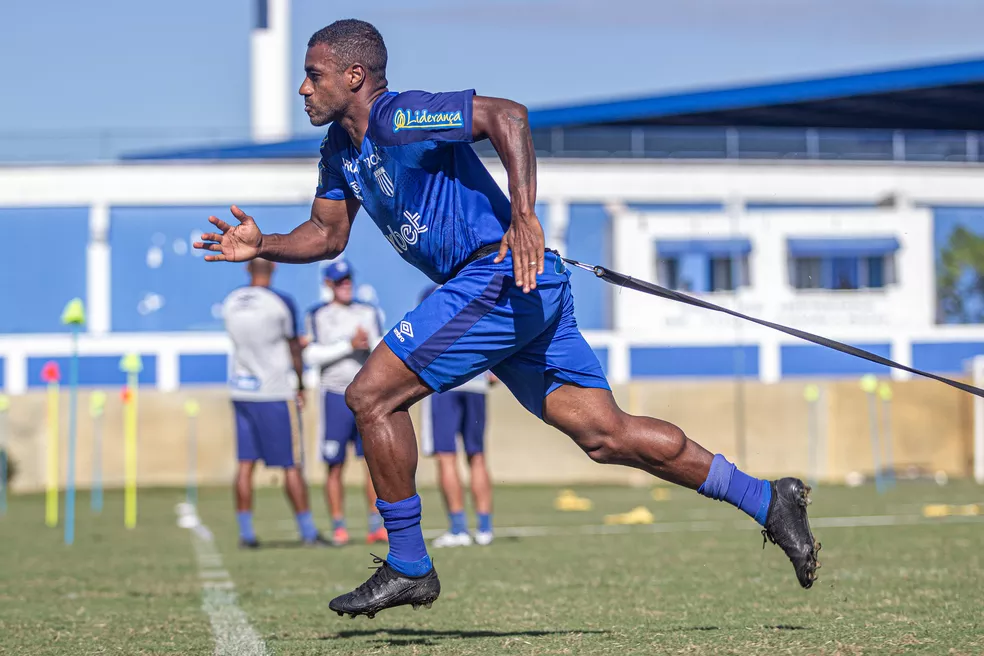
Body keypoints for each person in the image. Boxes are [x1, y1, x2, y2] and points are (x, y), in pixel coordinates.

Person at [195, 19, 820, 618]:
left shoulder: (398, 115)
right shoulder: (340, 149)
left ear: (355, 76)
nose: (303, 88)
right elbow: (328, 235)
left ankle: (410, 563)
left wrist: (523, 215)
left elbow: (507, 115)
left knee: (371, 397)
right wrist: (264, 243)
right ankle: (767, 498)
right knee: (607, 435)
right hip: (516, 287)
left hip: (499, 275)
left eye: (314, 74)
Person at [221, 258, 328, 548]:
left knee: (245, 465)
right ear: (274, 268)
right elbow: (294, 347)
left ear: (247, 269)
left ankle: (246, 534)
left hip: (242, 391)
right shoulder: (280, 302)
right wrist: (302, 382)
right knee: (291, 464)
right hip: (275, 392)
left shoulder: (231, 302)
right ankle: (307, 531)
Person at [304, 259, 387, 546]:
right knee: (334, 464)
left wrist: (368, 343)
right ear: (329, 284)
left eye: (348, 279)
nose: (346, 285)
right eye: (340, 281)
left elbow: (381, 349)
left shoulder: (367, 311)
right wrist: (347, 346)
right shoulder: (318, 315)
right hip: (334, 396)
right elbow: (311, 355)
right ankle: (339, 526)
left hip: (365, 398)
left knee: (373, 464)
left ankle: (377, 524)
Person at [417, 285, 495, 548]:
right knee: (477, 456)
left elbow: (421, 334)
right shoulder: (478, 288)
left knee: (446, 456)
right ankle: (485, 529)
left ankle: (459, 529)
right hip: (477, 382)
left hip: (444, 381)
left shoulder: (433, 293)